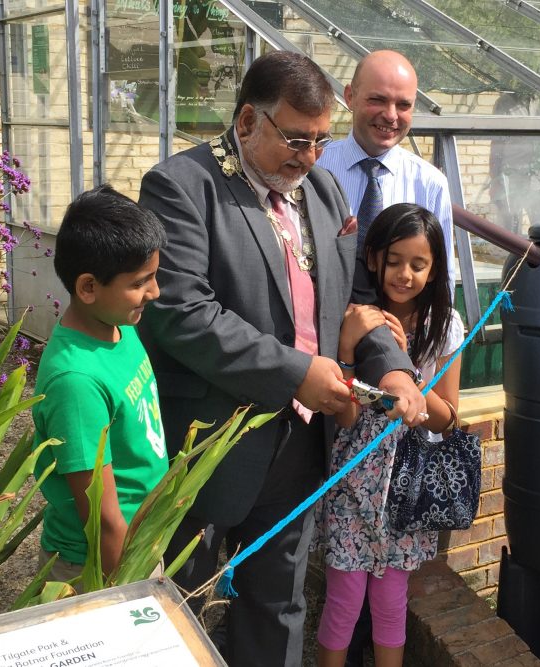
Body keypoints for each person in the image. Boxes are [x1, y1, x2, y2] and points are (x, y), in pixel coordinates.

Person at [136, 51, 425, 667]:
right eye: (296, 139)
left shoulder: (321, 188)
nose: (311, 156)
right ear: (246, 122)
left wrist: (391, 365)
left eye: (322, 140)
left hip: (298, 440)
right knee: (178, 609)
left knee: (279, 606)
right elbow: (184, 313)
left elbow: (355, 299)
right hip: (207, 442)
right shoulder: (182, 187)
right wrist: (297, 372)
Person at [315, 203, 464, 667]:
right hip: (353, 483)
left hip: (407, 489)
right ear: (373, 258)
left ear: (435, 268)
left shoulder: (445, 325)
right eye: (394, 260)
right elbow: (343, 417)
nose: (404, 274)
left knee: (391, 601)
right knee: (343, 598)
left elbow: (448, 419)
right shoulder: (356, 314)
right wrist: (347, 347)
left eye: (418, 264)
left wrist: (404, 370)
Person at [33, 184, 169, 584]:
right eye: (140, 282)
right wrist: (126, 592)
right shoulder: (76, 382)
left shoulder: (118, 327)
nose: (155, 292)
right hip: (98, 564)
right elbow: (103, 518)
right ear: (89, 287)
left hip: (138, 544)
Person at [317, 50, 454, 289]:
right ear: (350, 97)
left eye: (403, 105)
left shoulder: (430, 184)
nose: (391, 115)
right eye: (377, 100)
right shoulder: (314, 168)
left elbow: (443, 279)